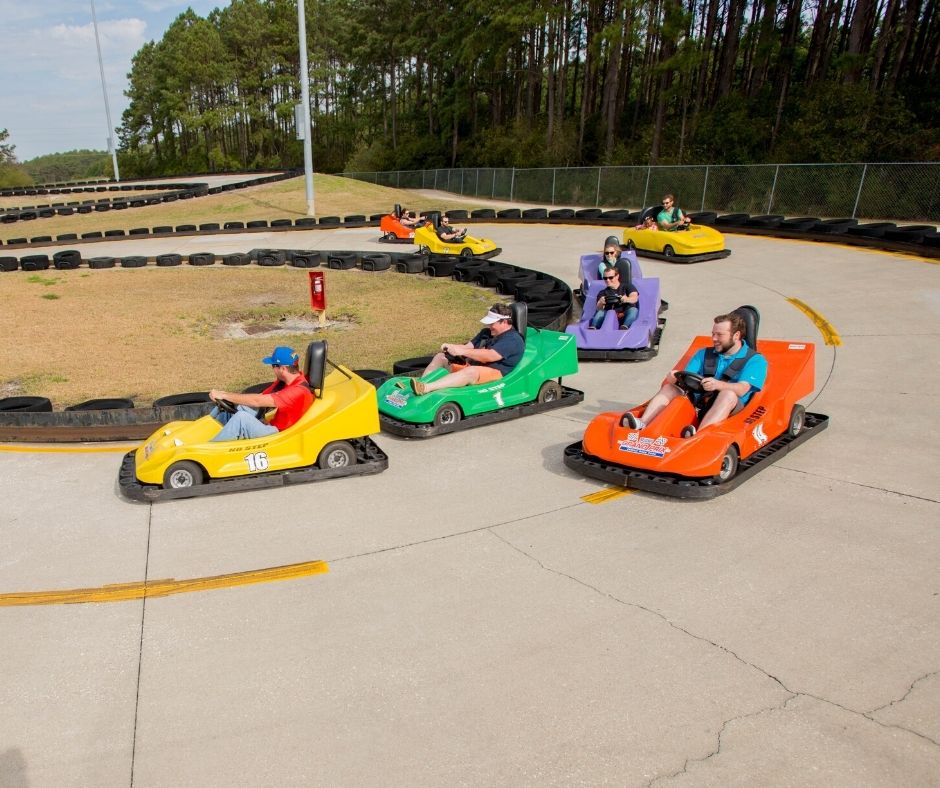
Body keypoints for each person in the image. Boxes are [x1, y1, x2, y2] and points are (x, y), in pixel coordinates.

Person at [623, 312, 767, 436]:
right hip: (700, 402)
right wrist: (674, 378)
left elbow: (742, 389)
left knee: (728, 393)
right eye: (713, 334)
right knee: (669, 388)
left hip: (731, 407)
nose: (714, 339)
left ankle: (699, 436)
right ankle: (643, 423)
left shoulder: (755, 360)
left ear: (736, 335)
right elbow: (688, 376)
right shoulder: (703, 353)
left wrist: (717, 385)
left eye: (719, 335)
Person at [409, 303, 525, 395]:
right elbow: (468, 347)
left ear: (504, 322)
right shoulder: (487, 333)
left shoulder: (513, 339)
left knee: (471, 371)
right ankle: (421, 383)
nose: (489, 326)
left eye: (492, 324)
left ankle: (427, 388)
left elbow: (490, 355)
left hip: (496, 373)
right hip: (475, 367)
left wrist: (462, 351)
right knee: (441, 357)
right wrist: (452, 347)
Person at [207, 346, 314, 441]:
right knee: (237, 406)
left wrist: (224, 395)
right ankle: (205, 430)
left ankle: (208, 451)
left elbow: (257, 401)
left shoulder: (297, 391)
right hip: (272, 424)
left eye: (273, 366)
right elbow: (260, 397)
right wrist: (226, 395)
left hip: (280, 436)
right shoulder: (288, 381)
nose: (272, 369)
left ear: (282, 368)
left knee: (241, 418)